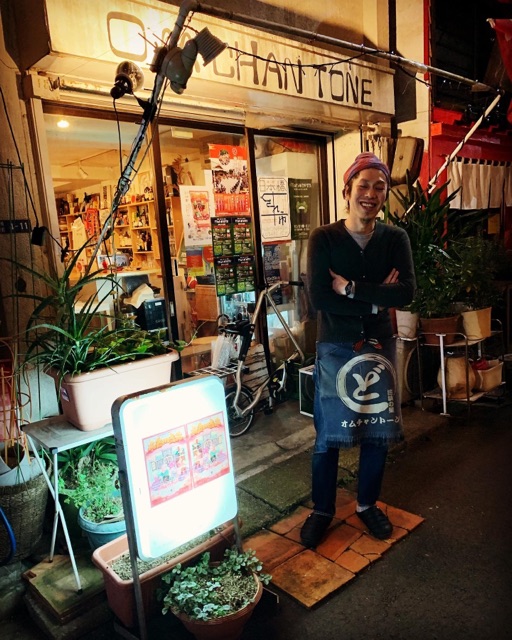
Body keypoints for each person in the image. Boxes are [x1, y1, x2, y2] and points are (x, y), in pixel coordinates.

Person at [300, 152, 416, 547]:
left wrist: (350, 289)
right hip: (335, 345)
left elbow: (406, 292)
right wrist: (376, 300)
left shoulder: (395, 238)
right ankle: (322, 510)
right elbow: (320, 297)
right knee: (328, 434)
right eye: (363, 185)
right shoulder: (324, 238)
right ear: (347, 190)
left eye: (379, 187)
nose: (371, 193)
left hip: (380, 343)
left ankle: (367, 504)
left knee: (377, 431)